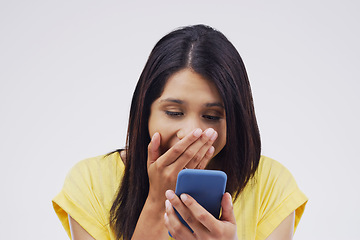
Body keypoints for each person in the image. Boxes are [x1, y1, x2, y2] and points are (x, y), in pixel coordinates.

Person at [52, 24, 308, 240]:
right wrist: (155, 203)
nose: (192, 133)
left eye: (211, 116)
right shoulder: (91, 182)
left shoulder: (272, 185)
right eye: (174, 112)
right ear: (145, 112)